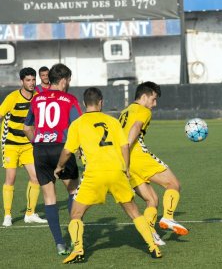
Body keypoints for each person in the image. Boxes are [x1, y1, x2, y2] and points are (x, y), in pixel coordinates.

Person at [54, 87, 161, 264]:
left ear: (83, 103)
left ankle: (79, 249)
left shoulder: (78, 124)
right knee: (134, 212)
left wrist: (59, 167)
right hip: (116, 173)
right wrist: (126, 168)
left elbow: (67, 151)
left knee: (76, 215)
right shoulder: (112, 121)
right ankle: (153, 246)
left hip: (94, 175)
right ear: (101, 102)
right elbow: (124, 146)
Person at [119, 81, 188, 245]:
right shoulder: (143, 110)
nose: (154, 104)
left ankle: (150, 232)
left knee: (152, 200)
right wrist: (128, 146)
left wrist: (124, 162)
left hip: (123, 161)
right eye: (153, 99)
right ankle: (169, 217)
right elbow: (135, 128)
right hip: (137, 156)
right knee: (174, 184)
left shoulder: (124, 111)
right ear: (144, 97)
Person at [23, 63, 81, 255]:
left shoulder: (37, 99)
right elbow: (78, 127)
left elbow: (26, 128)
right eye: (69, 80)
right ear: (63, 80)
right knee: (74, 191)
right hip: (61, 147)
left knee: (49, 197)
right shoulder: (70, 99)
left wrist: (37, 144)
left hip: (40, 148)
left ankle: (59, 243)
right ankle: (74, 237)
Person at [0, 67, 47, 227]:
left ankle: (30, 213)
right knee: (10, 179)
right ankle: (7, 215)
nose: (32, 83)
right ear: (22, 81)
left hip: (28, 144)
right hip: (11, 144)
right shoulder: (12, 98)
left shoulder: (38, 98)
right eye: (28, 80)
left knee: (36, 178)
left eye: (33, 80)